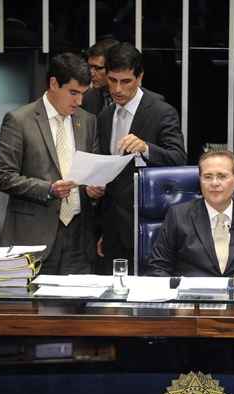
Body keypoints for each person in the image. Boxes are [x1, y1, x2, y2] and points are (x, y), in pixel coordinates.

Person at [0, 52, 103, 274]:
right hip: (35, 237)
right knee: (36, 309)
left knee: (78, 307)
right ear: (53, 83)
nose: (79, 101)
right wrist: (48, 189)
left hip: (79, 238)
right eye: (73, 93)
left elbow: (93, 168)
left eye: (83, 93)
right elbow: (4, 176)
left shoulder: (88, 120)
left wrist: (94, 189)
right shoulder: (19, 120)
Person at [97, 42, 187, 272]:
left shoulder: (161, 111)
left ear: (140, 78)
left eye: (125, 81)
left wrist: (146, 148)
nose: (117, 89)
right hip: (112, 227)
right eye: (112, 80)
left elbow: (179, 159)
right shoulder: (106, 115)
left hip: (149, 222)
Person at [147, 151, 234, 277]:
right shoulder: (177, 216)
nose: (214, 183)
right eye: (207, 177)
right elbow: (158, 268)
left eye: (222, 176)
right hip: (192, 295)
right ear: (200, 180)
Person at [81, 38, 119, 115]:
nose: (91, 73)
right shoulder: (86, 98)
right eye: (90, 67)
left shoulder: (134, 98)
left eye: (98, 68)